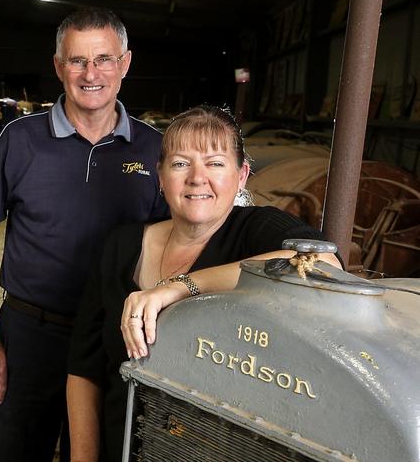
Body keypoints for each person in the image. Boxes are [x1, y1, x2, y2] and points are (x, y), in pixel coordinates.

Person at [0, 7, 168, 462]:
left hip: (117, 340)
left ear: (125, 64)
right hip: (30, 337)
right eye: (77, 61)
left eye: (104, 59)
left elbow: (184, 239)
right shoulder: (19, 140)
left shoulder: (156, 148)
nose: (91, 74)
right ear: (58, 66)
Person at [66, 105, 342, 462]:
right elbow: (84, 369)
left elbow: (325, 263)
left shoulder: (255, 229)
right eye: (181, 163)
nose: (197, 177)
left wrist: (180, 286)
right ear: (161, 176)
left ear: (241, 176)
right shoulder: (121, 244)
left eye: (215, 163)